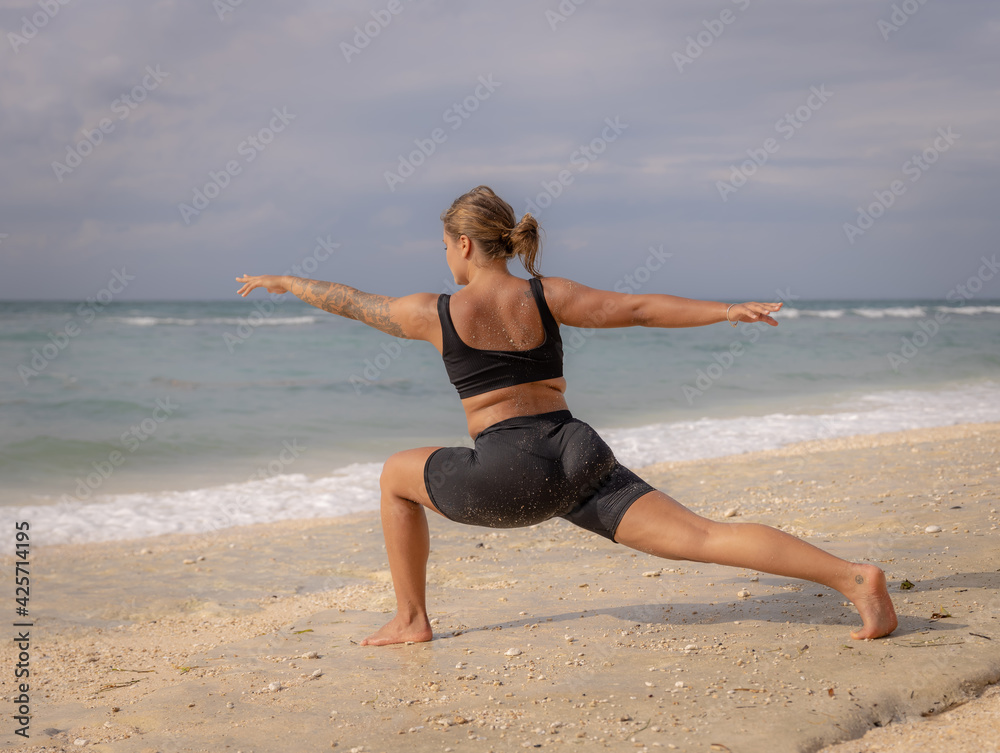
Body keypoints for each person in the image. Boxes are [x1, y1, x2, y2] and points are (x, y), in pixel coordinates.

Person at [236, 185, 898, 647]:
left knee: (393, 476)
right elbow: (637, 308)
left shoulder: (434, 312)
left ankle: (411, 618)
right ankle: (852, 576)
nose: (443, 254)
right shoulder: (547, 294)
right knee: (700, 535)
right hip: (577, 454)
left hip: (507, 473)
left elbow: (354, 302)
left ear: (464, 244)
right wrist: (725, 309)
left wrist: (290, 283)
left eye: (444, 243)